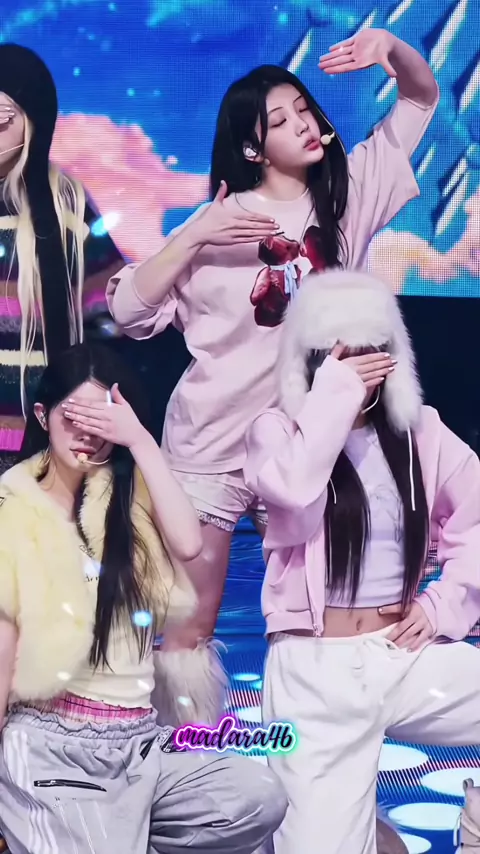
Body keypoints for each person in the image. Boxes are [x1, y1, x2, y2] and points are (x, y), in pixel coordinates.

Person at [107, 28, 439, 726]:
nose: (305, 125)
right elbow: (130, 314)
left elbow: (420, 97)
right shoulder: (216, 222)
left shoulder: (348, 196)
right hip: (209, 447)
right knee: (189, 626)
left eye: (305, 110)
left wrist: (390, 46)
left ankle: (317, 762)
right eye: (281, 121)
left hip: (311, 446)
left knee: (322, 616)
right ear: (253, 149)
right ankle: (184, 767)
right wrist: (194, 235)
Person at [0, 342, 287, 854]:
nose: (87, 433)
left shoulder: (128, 497)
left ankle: (120, 830)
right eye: (74, 417)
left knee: (255, 797)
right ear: (42, 416)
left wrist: (140, 442)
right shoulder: (12, 508)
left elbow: (190, 543)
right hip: (51, 744)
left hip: (139, 743)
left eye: (102, 420)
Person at [243, 268, 480, 854]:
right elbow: (294, 498)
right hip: (314, 673)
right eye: (342, 354)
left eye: (373, 351)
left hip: (404, 654)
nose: (362, 367)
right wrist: (333, 397)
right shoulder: (276, 432)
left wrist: (443, 604)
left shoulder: (421, 432)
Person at [0, 43, 124, 474]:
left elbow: (110, 314)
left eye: (2, 117)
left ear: (34, 121)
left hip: (41, 435)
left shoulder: (66, 202)